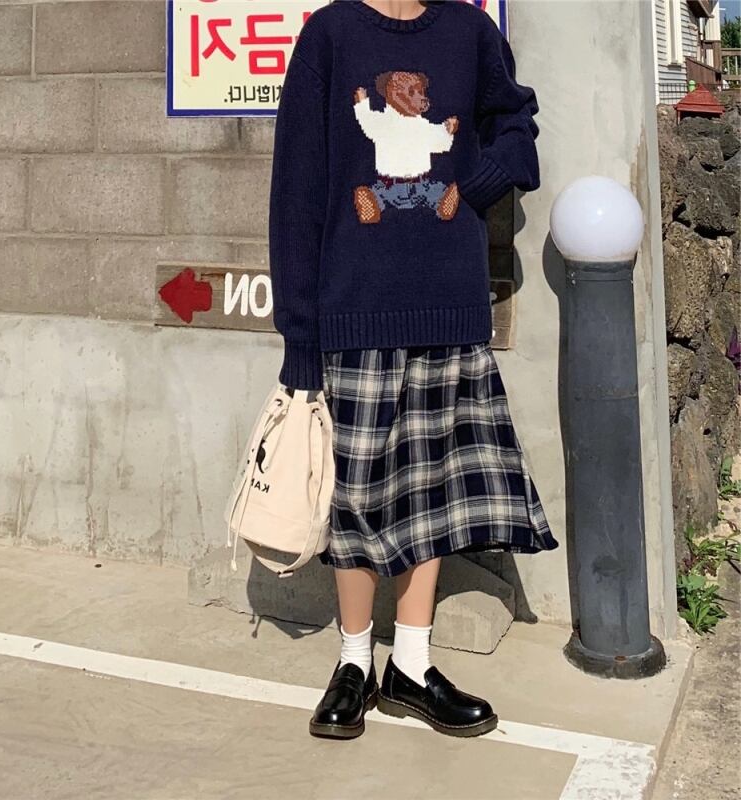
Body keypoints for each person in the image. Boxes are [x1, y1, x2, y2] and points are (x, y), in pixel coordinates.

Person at [267, 0, 559, 740]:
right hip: (353, 309)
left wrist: (480, 179)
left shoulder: (470, 33)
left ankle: (412, 663)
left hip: (447, 305)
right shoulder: (330, 35)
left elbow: (517, 124)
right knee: (355, 494)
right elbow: (296, 191)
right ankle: (354, 662)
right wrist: (300, 335)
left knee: (431, 492)